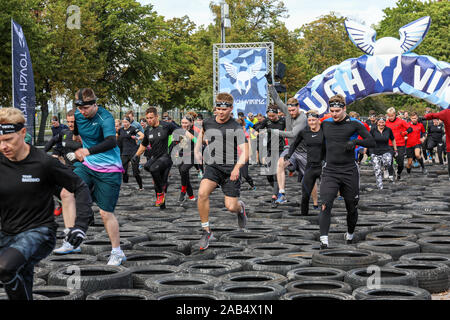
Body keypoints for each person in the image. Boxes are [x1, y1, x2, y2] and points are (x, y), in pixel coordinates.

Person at [0, 107, 93, 300]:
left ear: (23, 132)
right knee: (20, 275)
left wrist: (80, 226)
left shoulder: (44, 163)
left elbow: (79, 187)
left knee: (5, 268)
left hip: (39, 232)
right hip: (7, 233)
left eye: (8, 139)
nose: (3, 146)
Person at [72, 88, 126, 266]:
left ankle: (117, 252)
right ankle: (71, 236)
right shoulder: (78, 116)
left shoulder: (106, 118)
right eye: (79, 109)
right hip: (88, 165)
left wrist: (88, 150)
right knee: (68, 190)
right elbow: (77, 134)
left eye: (86, 108)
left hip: (109, 169)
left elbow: (111, 141)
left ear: (95, 104)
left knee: (105, 213)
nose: (82, 112)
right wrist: (76, 148)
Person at [318, 95, 376, 249]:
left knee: (351, 206)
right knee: (325, 203)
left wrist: (355, 142)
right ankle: (324, 240)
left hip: (349, 170)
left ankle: (350, 234)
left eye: (337, 111)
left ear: (344, 108)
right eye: (332, 111)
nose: (334, 114)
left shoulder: (355, 124)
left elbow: (371, 141)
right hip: (330, 170)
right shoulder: (325, 123)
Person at [195, 92, 249, 250]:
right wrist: (198, 150)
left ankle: (241, 208)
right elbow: (203, 134)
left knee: (231, 207)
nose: (220, 112)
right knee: (202, 193)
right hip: (213, 166)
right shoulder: (208, 122)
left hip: (230, 169)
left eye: (224, 109)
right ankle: (206, 231)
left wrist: (237, 168)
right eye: (218, 109)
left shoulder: (236, 127)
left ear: (231, 109)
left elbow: (246, 152)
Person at [268, 85, 309, 204]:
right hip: (291, 148)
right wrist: (271, 86)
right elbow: (277, 100)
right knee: (280, 164)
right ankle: (282, 193)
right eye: (289, 110)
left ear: (298, 107)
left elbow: (292, 134)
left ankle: (316, 202)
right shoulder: (287, 111)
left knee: (309, 179)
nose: (290, 113)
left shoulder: (302, 118)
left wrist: (275, 132)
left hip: (303, 150)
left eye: (293, 110)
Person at [133, 107, 178, 207]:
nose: (149, 120)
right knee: (148, 167)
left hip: (166, 157)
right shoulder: (148, 130)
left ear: (157, 116)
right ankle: (162, 204)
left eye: (151, 118)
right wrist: (136, 155)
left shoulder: (166, 125)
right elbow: (143, 145)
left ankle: (160, 193)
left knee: (154, 169)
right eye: (147, 118)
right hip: (156, 158)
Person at [285, 110, 324, 215]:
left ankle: (325, 215)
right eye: (309, 120)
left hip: (323, 166)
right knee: (305, 195)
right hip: (310, 167)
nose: (312, 122)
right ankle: (304, 216)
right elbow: (294, 144)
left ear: (318, 119)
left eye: (314, 120)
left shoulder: (325, 130)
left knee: (327, 195)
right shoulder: (304, 132)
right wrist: (289, 156)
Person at [253, 105, 286, 204]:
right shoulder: (266, 121)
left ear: (277, 113)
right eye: (269, 116)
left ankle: (275, 194)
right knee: (268, 174)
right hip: (269, 149)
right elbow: (256, 129)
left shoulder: (283, 121)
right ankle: (279, 188)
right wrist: (258, 133)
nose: (271, 118)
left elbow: (290, 130)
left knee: (276, 172)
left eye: (273, 116)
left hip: (280, 149)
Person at [174, 114, 198, 205]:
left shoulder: (195, 131)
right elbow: (174, 143)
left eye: (186, 123)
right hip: (180, 156)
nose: (184, 125)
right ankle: (191, 196)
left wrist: (190, 136)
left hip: (192, 156)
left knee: (184, 170)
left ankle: (183, 192)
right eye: (182, 123)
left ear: (191, 123)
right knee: (184, 176)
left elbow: (198, 143)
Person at [369, 115, 397, 189]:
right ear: (377, 122)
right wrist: (366, 149)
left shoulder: (388, 130)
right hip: (375, 151)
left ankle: (386, 168)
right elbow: (368, 139)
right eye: (379, 122)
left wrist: (395, 149)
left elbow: (393, 139)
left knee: (388, 162)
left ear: (385, 122)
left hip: (386, 150)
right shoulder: (373, 130)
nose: (381, 124)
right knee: (377, 170)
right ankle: (380, 187)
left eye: (383, 122)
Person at [117, 116, 144, 190]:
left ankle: (141, 187)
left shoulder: (133, 128)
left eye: (126, 122)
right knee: (123, 171)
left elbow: (142, 135)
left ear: (129, 122)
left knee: (135, 172)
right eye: (123, 122)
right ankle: (126, 185)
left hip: (134, 152)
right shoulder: (120, 130)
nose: (125, 124)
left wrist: (137, 138)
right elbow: (117, 137)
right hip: (124, 153)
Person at [385, 107, 412, 180]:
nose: (390, 118)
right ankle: (390, 174)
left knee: (401, 163)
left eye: (391, 116)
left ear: (394, 114)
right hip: (389, 145)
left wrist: (405, 133)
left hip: (400, 145)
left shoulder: (401, 121)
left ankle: (399, 173)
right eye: (389, 116)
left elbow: (410, 128)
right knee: (389, 161)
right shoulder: (386, 122)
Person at [423, 108, 450, 180]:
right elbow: (433, 115)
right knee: (429, 146)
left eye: (436, 120)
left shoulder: (441, 125)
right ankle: (432, 155)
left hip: (440, 140)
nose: (435, 121)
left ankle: (442, 162)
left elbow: (443, 133)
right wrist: (424, 117)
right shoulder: (431, 125)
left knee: (440, 151)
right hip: (434, 140)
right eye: (434, 120)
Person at [236, 118, 256, 191]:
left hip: (244, 156)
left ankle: (252, 185)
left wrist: (248, 155)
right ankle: (237, 186)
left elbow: (249, 145)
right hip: (236, 156)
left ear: (243, 127)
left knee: (245, 174)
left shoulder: (245, 135)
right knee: (237, 173)